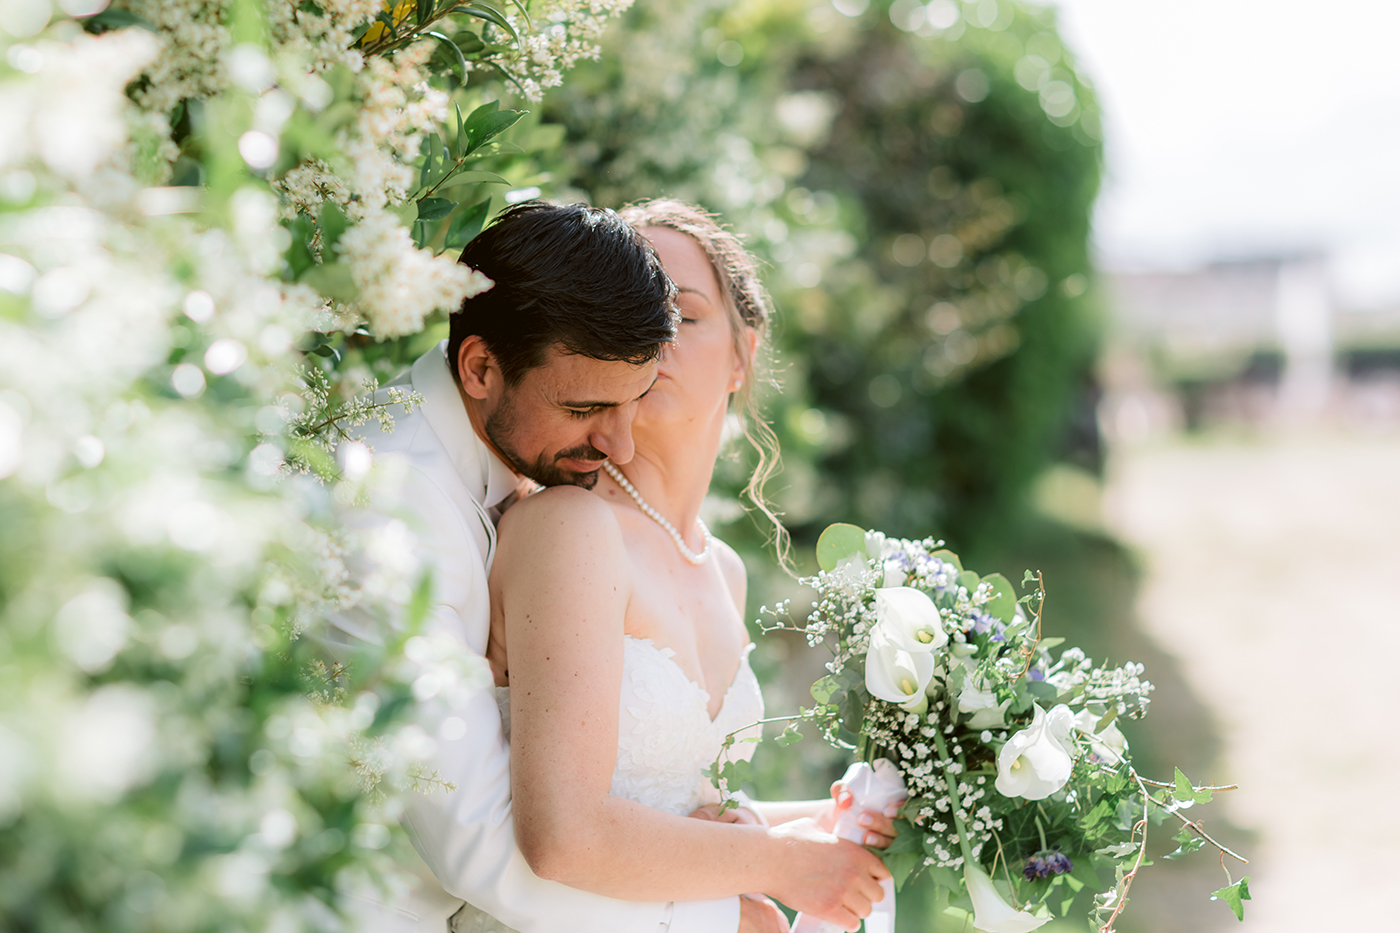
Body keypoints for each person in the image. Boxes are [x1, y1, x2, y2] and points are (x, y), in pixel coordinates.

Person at [330, 201, 888, 933]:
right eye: (589, 405)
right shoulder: (396, 502)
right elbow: (492, 839)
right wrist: (746, 897)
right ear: (479, 368)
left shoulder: (523, 472)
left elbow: (661, 804)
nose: (618, 445)